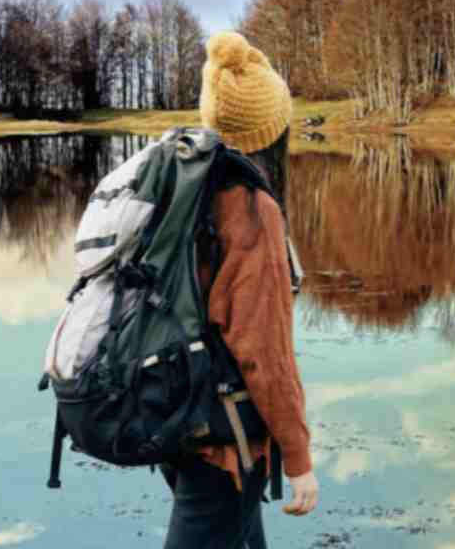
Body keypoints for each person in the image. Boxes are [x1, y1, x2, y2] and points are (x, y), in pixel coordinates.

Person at [162, 32, 319, 548]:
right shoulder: (252, 211)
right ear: (272, 133)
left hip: (177, 420)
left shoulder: (181, 187)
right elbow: (264, 353)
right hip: (224, 442)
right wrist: (298, 458)